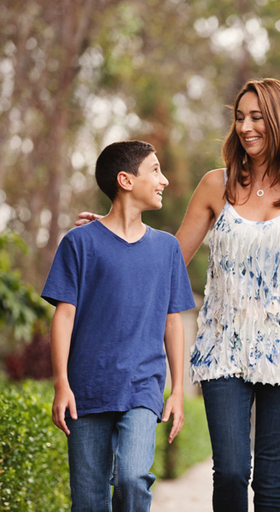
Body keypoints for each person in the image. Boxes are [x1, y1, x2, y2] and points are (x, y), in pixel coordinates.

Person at [77, 79, 280, 511]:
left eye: (256, 117)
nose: (245, 127)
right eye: (239, 117)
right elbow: (168, 260)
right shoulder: (218, 184)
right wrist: (108, 233)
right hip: (222, 348)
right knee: (231, 471)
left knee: (271, 482)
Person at [43, 141, 196, 511]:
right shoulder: (79, 243)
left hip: (142, 388)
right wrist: (62, 383)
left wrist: (177, 390)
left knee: (132, 478)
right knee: (89, 500)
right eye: (155, 170)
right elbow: (63, 315)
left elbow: (172, 321)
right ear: (125, 180)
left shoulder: (167, 249)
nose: (163, 180)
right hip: (86, 390)